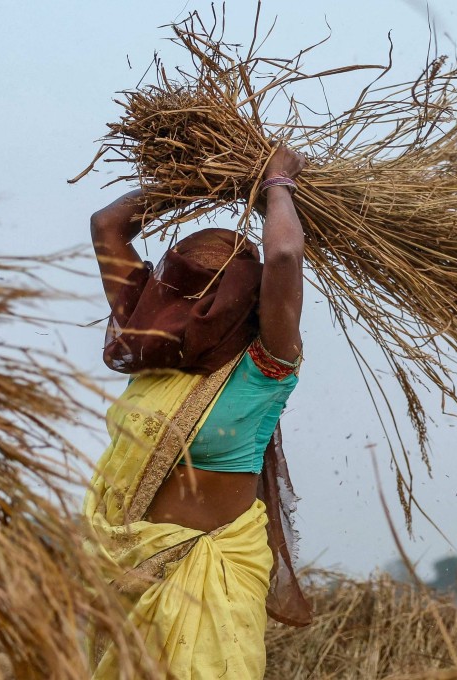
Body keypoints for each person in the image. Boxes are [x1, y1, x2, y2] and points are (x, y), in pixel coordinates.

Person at [83, 145, 312, 679]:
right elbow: (108, 224)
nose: (195, 306)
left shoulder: (264, 365)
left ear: (246, 298)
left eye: (211, 294)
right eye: (187, 288)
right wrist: (204, 178)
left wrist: (277, 182)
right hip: (125, 574)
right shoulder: (154, 343)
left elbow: (282, 257)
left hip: (212, 580)